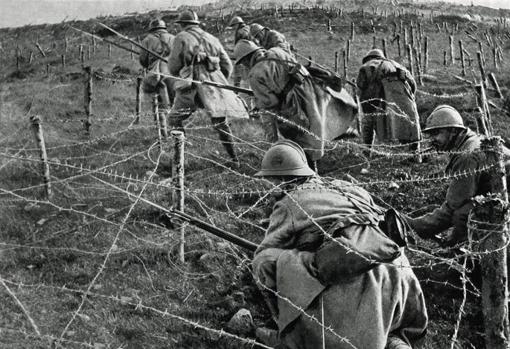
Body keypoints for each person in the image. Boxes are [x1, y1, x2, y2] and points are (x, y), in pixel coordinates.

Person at [252, 140, 428, 349]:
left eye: (270, 181)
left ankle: (289, 332)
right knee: (383, 330)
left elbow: (266, 251)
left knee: (265, 262)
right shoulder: (346, 186)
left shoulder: (289, 203)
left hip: (356, 275)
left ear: (281, 180)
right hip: (395, 269)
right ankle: (393, 343)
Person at [233, 39, 358, 167]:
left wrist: (259, 103)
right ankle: (341, 132)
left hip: (293, 103)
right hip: (309, 90)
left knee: (300, 137)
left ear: (247, 59)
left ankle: (308, 168)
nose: (244, 65)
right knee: (319, 122)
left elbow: (271, 102)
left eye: (243, 63)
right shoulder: (277, 51)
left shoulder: (255, 74)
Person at [406, 105, 510, 245]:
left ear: (454, 131)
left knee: (462, 214)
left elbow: (454, 205)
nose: (432, 139)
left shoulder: (466, 155)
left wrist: (416, 226)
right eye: (431, 134)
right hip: (502, 190)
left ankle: (474, 254)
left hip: (505, 196)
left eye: (437, 133)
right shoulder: (469, 141)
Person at [167, 10, 249, 163]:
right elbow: (227, 65)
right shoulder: (212, 38)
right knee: (220, 123)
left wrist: (182, 71)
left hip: (192, 85)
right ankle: (234, 159)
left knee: (173, 118)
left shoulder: (181, 38)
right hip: (213, 85)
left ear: (183, 25)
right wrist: (218, 79)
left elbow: (173, 66)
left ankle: (179, 160)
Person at [356, 49, 421, 152]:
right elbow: (413, 84)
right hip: (403, 98)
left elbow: (360, 86)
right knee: (410, 124)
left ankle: (367, 151)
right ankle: (415, 154)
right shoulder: (396, 65)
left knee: (368, 122)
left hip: (379, 100)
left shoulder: (366, 66)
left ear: (369, 58)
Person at [139, 18, 175, 110]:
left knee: (160, 102)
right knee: (175, 99)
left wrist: (150, 64)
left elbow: (143, 60)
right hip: (174, 72)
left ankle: (162, 123)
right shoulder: (173, 38)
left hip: (157, 73)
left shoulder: (147, 40)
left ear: (152, 29)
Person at [227, 16, 252, 89]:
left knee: (243, 77)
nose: (233, 28)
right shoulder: (245, 29)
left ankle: (241, 93)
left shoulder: (242, 31)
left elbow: (243, 43)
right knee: (240, 77)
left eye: (234, 26)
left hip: (244, 57)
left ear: (238, 24)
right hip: (243, 56)